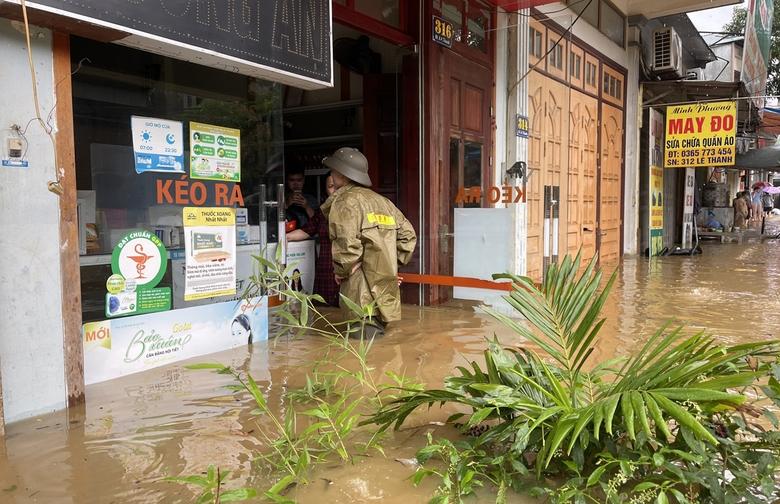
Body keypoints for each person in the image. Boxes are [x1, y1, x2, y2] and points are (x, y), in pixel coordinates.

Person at [320, 147, 417, 336]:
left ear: (341, 173)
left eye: (333, 170)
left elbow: (345, 241)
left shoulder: (345, 201)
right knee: (381, 353)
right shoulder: (383, 202)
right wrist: (389, 266)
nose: (331, 174)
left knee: (361, 351)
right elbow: (408, 236)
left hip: (359, 289)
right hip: (384, 289)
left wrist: (343, 270)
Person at [287, 175, 339, 306]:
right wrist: (284, 237)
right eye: (331, 186)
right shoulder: (323, 212)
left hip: (346, 269)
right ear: (326, 190)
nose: (335, 190)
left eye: (339, 186)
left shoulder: (354, 210)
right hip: (326, 269)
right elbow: (306, 230)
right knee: (325, 312)